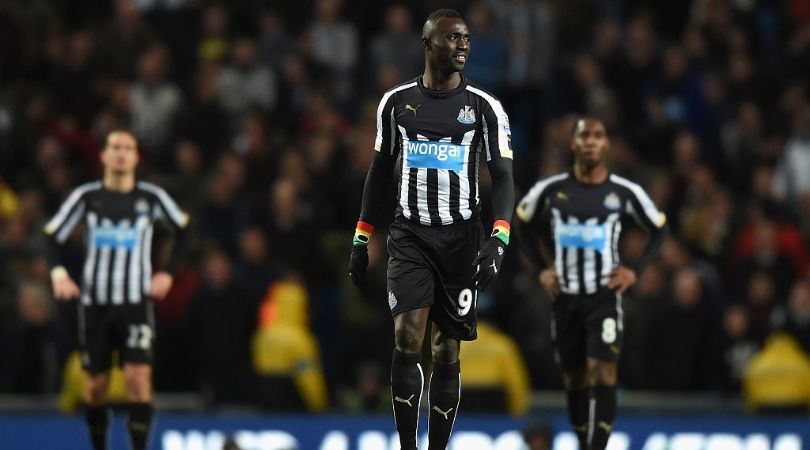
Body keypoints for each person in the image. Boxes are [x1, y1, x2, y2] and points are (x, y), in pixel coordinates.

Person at [347, 9, 515, 450]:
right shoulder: (396, 103)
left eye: (466, 39)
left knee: (446, 350)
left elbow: (504, 177)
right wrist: (361, 239)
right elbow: (380, 173)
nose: (462, 46)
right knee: (406, 336)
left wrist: (499, 237)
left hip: (461, 241)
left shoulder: (484, 108)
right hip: (410, 236)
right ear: (427, 42)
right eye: (452, 38)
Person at [515, 118, 668, 450]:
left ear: (606, 145)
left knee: (603, 371)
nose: (591, 142)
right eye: (584, 136)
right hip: (565, 296)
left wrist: (634, 270)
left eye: (598, 136)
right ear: (573, 143)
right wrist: (542, 268)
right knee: (575, 379)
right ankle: (585, 440)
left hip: (603, 295)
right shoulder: (551, 189)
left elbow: (659, 228)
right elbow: (522, 221)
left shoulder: (625, 192)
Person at [44, 130, 189, 450]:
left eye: (128, 148)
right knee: (96, 385)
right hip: (95, 303)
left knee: (139, 378)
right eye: (115, 147)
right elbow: (52, 234)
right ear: (104, 156)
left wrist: (167, 273)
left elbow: (183, 230)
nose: (121, 153)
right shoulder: (87, 197)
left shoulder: (151, 198)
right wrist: (58, 273)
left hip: (136, 302)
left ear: (136, 158)